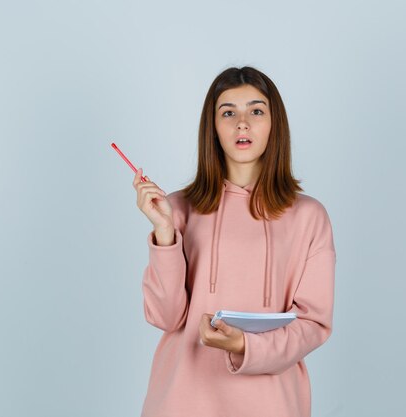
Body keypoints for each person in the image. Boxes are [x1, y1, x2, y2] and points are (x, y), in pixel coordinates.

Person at [133, 66, 336, 417]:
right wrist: (165, 234)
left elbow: (313, 325)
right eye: (228, 112)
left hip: (272, 404)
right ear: (212, 127)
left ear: (275, 124)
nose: (242, 123)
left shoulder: (309, 216)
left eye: (256, 111)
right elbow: (166, 317)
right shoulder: (178, 208)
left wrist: (245, 345)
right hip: (183, 401)